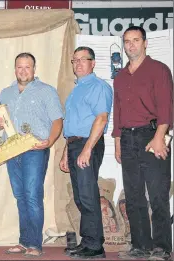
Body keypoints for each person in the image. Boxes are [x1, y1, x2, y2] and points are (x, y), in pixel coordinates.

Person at [112, 26, 172, 261]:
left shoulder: (159, 70)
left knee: (157, 194)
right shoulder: (120, 77)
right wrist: (117, 141)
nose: (131, 45)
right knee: (134, 195)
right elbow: (117, 112)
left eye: (136, 40)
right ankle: (140, 246)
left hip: (152, 134)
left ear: (145, 43)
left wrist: (159, 137)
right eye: (127, 41)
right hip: (127, 139)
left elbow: (167, 106)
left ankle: (162, 248)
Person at [0, 52, 63, 258]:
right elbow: (1, 122)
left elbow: (57, 121)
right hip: (12, 150)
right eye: (19, 67)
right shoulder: (5, 93)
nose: (23, 71)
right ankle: (24, 241)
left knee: (33, 196)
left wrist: (50, 141)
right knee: (20, 197)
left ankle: (35, 244)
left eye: (27, 67)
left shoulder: (46, 91)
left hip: (35, 150)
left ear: (34, 69)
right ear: (14, 68)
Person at [59, 46, 112, 259]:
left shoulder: (98, 87)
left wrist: (87, 149)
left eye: (83, 59)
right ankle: (87, 241)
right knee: (80, 196)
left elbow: (101, 119)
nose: (78, 63)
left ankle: (95, 246)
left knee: (88, 195)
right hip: (74, 145)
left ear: (93, 63)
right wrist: (65, 153)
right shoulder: (76, 90)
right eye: (75, 60)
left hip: (87, 145)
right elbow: (73, 126)